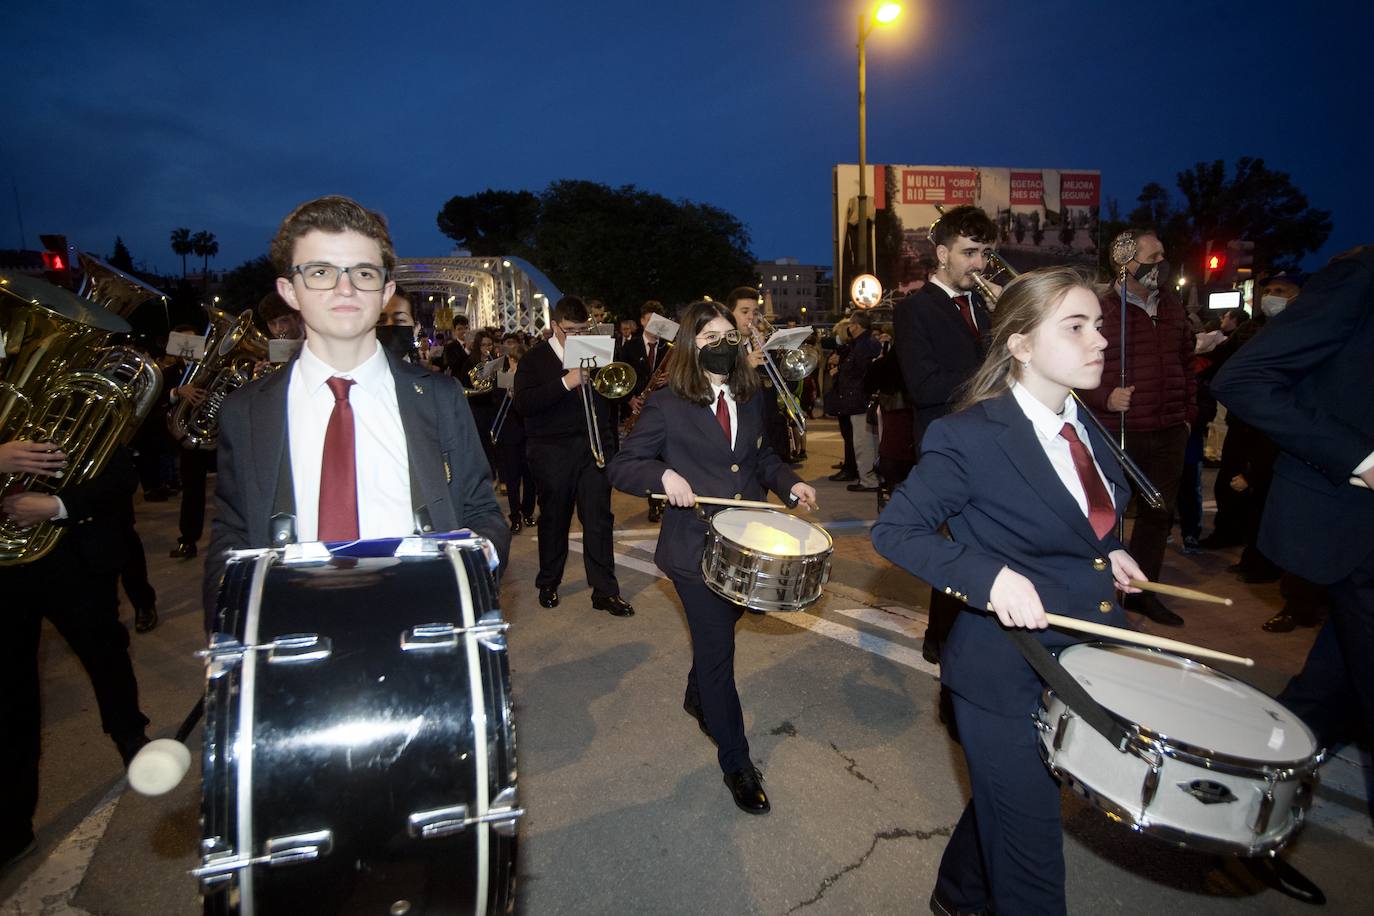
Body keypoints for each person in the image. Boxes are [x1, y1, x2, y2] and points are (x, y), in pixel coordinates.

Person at [872, 267, 1145, 915]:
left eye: (1099, 325)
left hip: (1081, 663)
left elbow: (1082, 519)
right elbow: (895, 532)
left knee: (1013, 798)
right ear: (1020, 345)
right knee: (1034, 870)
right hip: (1004, 675)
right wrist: (987, 576)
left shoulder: (1084, 426)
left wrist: (1111, 553)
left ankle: (958, 894)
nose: (1099, 340)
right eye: (1075, 327)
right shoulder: (969, 436)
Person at [203, 195, 509, 619]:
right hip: (291, 634)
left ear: (385, 290)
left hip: (420, 629)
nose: (344, 288)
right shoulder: (246, 411)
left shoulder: (440, 397)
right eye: (321, 272)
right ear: (289, 290)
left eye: (363, 272)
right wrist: (227, 621)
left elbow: (482, 512)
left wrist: (474, 564)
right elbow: (233, 532)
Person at [608, 300, 816, 814]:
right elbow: (623, 466)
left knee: (719, 635)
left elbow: (761, 457)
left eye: (728, 335)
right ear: (690, 346)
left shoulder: (753, 394)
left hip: (748, 542)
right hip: (694, 550)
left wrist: (790, 484)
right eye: (709, 338)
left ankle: (697, 692)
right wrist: (663, 478)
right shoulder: (668, 405)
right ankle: (737, 763)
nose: (722, 345)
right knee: (720, 654)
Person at [1212, 246, 1374, 751]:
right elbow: (1242, 380)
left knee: (1329, 686)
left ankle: (1259, 765)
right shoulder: (1360, 280)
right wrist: (1363, 460)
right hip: (1355, 520)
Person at [1, 439, 152, 869]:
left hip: (74, 559)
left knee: (105, 654)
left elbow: (121, 478)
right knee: (10, 694)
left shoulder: (81, 384)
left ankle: (130, 736)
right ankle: (12, 823)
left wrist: (57, 505)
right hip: (5, 570)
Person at [892, 205, 997, 662]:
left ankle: (970, 638)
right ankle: (941, 640)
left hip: (994, 441)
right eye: (970, 252)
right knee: (958, 549)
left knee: (984, 545)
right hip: (947, 447)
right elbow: (925, 386)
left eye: (986, 253)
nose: (980, 264)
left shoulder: (990, 306)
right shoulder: (916, 309)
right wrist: (992, 372)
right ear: (941, 253)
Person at [1076, 229, 1194, 627]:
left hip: (1169, 428)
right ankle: (1099, 595)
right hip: (1119, 430)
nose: (1161, 264)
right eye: (1152, 257)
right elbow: (1075, 369)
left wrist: (1188, 415)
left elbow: (1187, 361)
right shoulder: (1103, 308)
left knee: (1158, 514)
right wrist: (1105, 398)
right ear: (1125, 262)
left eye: (1163, 256)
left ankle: (1144, 593)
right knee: (1106, 514)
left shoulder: (1173, 306)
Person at [513, 295, 634, 616]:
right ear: (555, 327)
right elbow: (524, 404)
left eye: (584, 330)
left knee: (598, 520)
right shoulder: (535, 359)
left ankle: (605, 591)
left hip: (593, 449)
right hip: (551, 452)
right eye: (571, 331)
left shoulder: (596, 350)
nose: (578, 337)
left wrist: (608, 445)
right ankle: (548, 582)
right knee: (554, 518)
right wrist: (566, 382)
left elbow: (608, 400)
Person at [831, 310, 883, 492]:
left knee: (864, 443)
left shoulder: (863, 346)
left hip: (859, 401)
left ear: (857, 326)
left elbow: (863, 373)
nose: (849, 328)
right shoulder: (865, 344)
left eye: (851, 325)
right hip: (859, 400)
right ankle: (870, 477)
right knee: (866, 442)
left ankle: (869, 480)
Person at [494, 340, 536, 532]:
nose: (517, 366)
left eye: (521, 363)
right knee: (512, 478)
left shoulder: (529, 379)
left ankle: (528, 512)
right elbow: (495, 406)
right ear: (510, 360)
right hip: (509, 434)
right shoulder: (500, 379)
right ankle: (515, 516)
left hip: (527, 433)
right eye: (515, 362)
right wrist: (507, 395)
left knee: (529, 477)